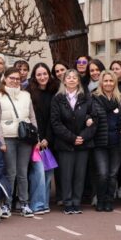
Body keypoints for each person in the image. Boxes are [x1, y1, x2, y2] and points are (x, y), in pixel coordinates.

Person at [0, 67, 37, 217]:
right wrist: (0, 141)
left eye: (18, 79)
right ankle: (6, 203)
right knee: (11, 173)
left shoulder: (26, 95)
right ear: (5, 78)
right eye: (12, 78)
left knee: (23, 172)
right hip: (8, 138)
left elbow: (32, 117)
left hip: (25, 139)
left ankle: (24, 203)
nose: (15, 81)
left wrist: (36, 137)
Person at [50, 70, 98, 214]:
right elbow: (56, 123)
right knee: (66, 174)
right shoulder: (57, 98)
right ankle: (67, 202)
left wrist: (82, 137)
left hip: (83, 143)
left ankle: (77, 202)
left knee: (80, 174)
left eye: (74, 77)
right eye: (68, 77)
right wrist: (71, 138)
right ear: (64, 81)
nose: (71, 80)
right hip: (65, 143)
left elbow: (94, 120)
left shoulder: (87, 98)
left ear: (78, 81)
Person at [26, 63, 58, 215]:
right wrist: (37, 139)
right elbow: (29, 118)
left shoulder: (55, 92)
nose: (42, 77)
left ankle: (44, 202)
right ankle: (36, 204)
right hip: (35, 140)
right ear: (34, 76)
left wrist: (47, 139)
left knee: (48, 172)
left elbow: (55, 119)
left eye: (45, 73)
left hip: (50, 139)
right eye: (39, 74)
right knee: (37, 172)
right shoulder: (29, 93)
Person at [91, 71, 121, 212]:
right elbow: (90, 115)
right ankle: (100, 199)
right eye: (106, 81)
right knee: (103, 173)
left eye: (111, 81)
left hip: (117, 142)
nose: (108, 83)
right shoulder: (94, 98)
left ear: (115, 82)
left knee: (112, 174)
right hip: (100, 142)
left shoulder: (120, 99)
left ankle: (109, 200)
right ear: (101, 82)